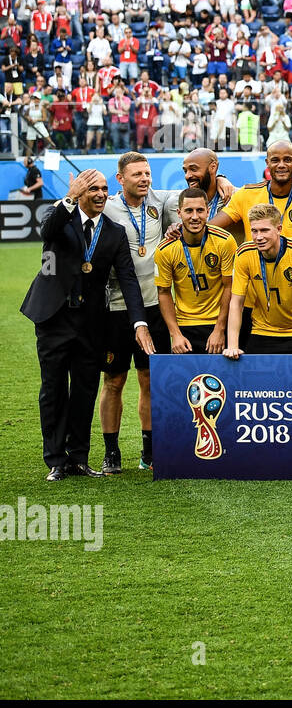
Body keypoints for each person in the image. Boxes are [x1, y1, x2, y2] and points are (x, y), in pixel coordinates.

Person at [21, 168, 153, 481]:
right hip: (54, 317)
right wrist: (68, 197)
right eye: (91, 189)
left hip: (92, 322)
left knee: (85, 389)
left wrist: (138, 321)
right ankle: (56, 460)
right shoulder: (60, 215)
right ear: (79, 192)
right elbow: (47, 231)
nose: (99, 195)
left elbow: (128, 279)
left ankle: (78, 458)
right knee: (53, 389)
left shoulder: (115, 232)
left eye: (104, 189)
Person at [98, 152, 178, 474]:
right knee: (114, 381)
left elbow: (197, 191)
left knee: (149, 380)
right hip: (117, 307)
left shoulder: (162, 200)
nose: (144, 179)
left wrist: (225, 180)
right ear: (121, 179)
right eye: (137, 175)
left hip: (156, 304)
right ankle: (111, 452)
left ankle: (149, 450)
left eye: (147, 173)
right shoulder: (106, 206)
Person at [224, 203, 292, 359]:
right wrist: (232, 346)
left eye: (264, 230)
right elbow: (236, 302)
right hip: (264, 330)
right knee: (251, 380)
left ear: (279, 229)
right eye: (254, 231)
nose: (259, 237)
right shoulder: (244, 253)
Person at [155, 186, 235, 354]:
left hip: (219, 321)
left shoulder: (225, 241)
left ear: (207, 212)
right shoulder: (165, 249)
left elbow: (230, 287)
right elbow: (163, 292)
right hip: (185, 325)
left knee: (223, 379)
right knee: (188, 380)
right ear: (179, 213)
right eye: (188, 211)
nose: (194, 217)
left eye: (200, 210)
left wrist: (220, 329)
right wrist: (175, 334)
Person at [214, 139, 292, 242]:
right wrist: (219, 177)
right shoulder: (246, 194)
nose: (281, 165)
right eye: (275, 160)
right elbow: (210, 228)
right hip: (256, 264)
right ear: (267, 163)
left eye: (287, 160)